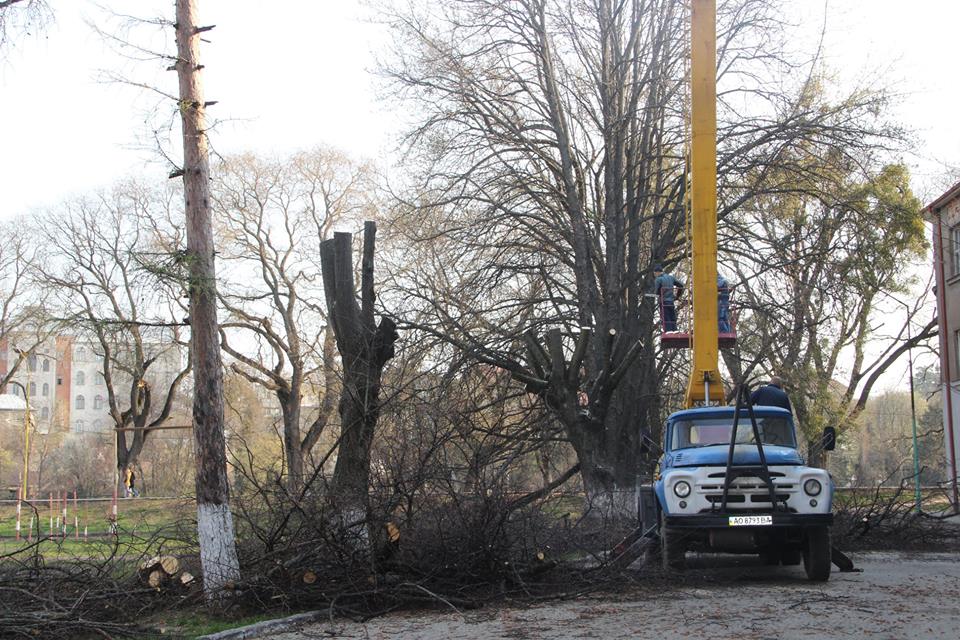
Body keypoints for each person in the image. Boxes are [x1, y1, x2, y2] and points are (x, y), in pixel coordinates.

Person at [652, 264, 684, 332]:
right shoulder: (671, 277)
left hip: (663, 301)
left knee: (665, 316)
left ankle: (668, 330)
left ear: (657, 272)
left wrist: (659, 294)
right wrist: (677, 296)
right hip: (671, 301)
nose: (655, 275)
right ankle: (675, 329)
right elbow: (681, 285)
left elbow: (657, 292)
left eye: (654, 274)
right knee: (672, 315)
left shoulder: (658, 279)